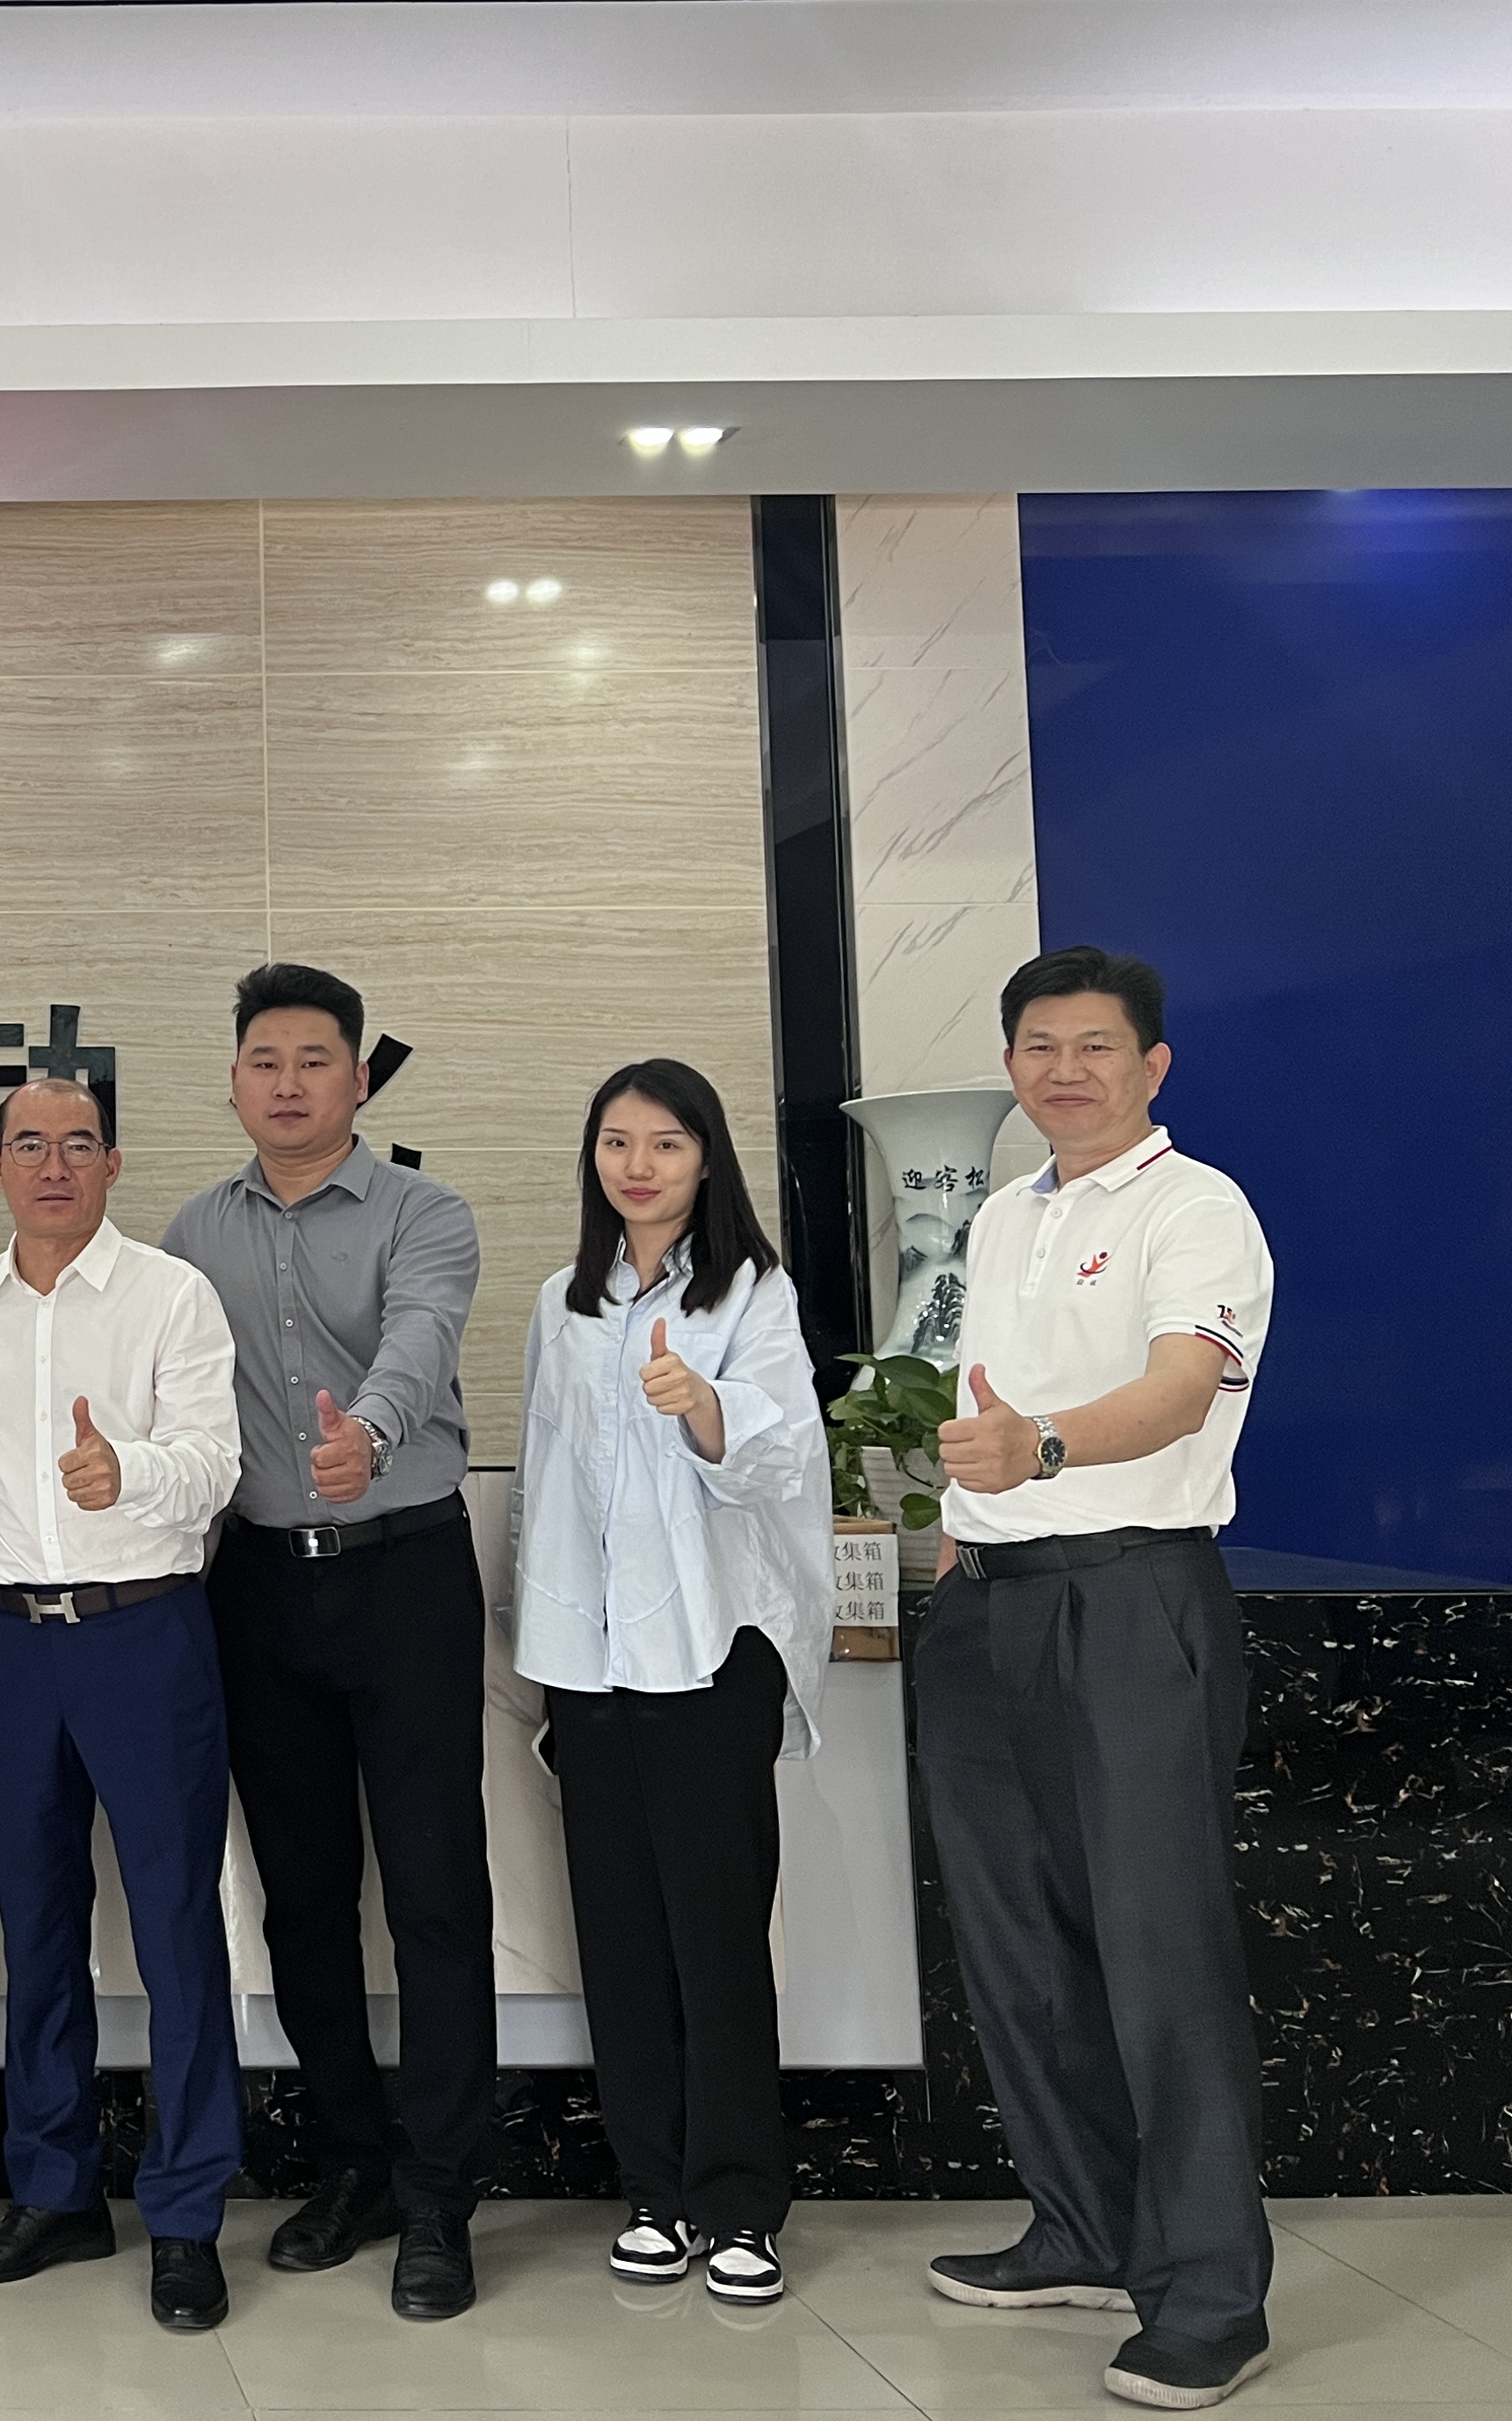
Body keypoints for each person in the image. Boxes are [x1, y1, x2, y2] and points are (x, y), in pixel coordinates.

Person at [915, 947, 1277, 2413]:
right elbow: (980, 1412)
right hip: (991, 1607)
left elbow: (1186, 1387)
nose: (1064, 1071)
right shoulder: (1008, 1213)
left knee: (1157, 1953)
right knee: (1023, 1946)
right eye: (1038, 1047)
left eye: (1096, 1046)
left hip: (1132, 1599)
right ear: (1011, 1064)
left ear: (1152, 1065)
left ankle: (1211, 2298)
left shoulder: (1198, 1209)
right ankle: (1082, 2227)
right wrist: (966, 1534)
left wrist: (1046, 1449)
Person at [159, 961, 491, 2319]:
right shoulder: (192, 1232)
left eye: (314, 1061)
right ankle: (355, 2161)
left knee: (434, 1893)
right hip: (257, 1590)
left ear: (359, 1078)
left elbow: (419, 1338)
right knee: (300, 1898)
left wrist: (374, 1431)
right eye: (264, 1062)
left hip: (406, 1575)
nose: (288, 1085)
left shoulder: (427, 1212)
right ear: (234, 1082)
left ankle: (443, 2194)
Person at [0, 1077, 244, 2334]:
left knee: (176, 1929)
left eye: (78, 1144)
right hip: (9, 1649)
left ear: (114, 1164)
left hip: (145, 1634)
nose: (53, 1164)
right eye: (29, 1145)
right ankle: (53, 2194)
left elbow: (215, 1465)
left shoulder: (172, 1295)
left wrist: (129, 1472)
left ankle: (188, 2211)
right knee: (38, 1928)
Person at [508, 1058, 831, 2308]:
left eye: (666, 1144)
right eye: (616, 1143)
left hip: (708, 1652)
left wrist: (703, 1406)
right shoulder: (564, 1301)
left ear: (707, 1159)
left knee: (718, 1937)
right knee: (620, 1938)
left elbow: (779, 1457)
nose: (637, 1167)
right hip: (589, 1664)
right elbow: (542, 1478)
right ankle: (652, 2190)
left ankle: (740, 2205)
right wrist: (539, 1638)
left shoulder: (753, 1292)